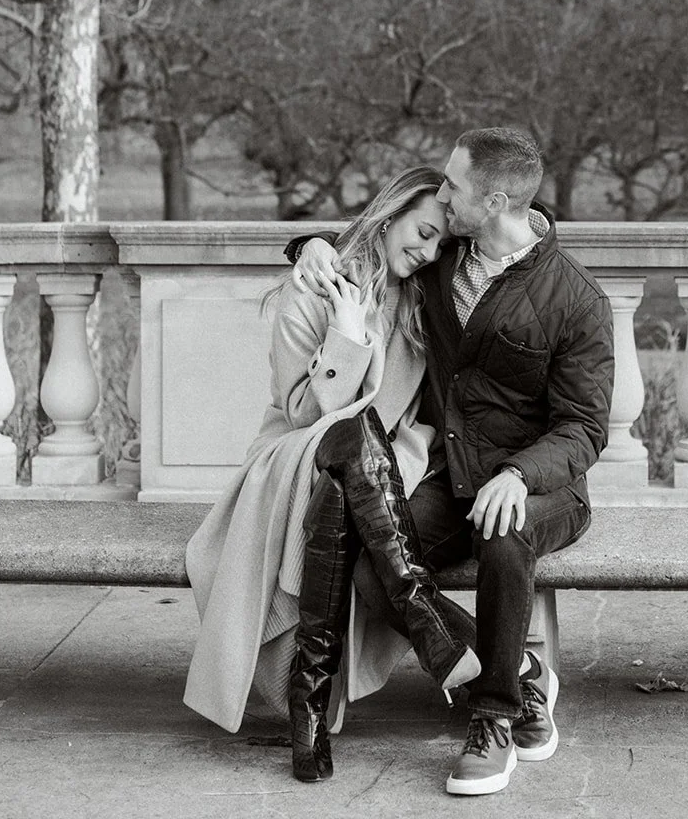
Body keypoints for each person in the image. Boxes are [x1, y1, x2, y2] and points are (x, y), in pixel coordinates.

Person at [292, 126, 615, 797]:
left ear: (494, 200)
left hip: (543, 485)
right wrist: (312, 246)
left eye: (454, 186)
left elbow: (583, 428)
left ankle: (495, 717)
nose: (441, 195)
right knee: (375, 568)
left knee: (505, 533)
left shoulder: (575, 299)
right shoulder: (443, 261)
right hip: (454, 477)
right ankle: (528, 676)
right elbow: (375, 240)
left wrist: (519, 474)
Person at [183, 166, 480, 783]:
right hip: (292, 458)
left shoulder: (425, 299)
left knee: (352, 477)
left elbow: (530, 231)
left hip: (371, 471)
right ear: (390, 213)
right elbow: (300, 413)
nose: (426, 251)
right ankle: (433, 622)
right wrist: (346, 338)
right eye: (421, 232)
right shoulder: (314, 290)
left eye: (438, 244)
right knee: (350, 441)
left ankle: (308, 710)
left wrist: (405, 448)